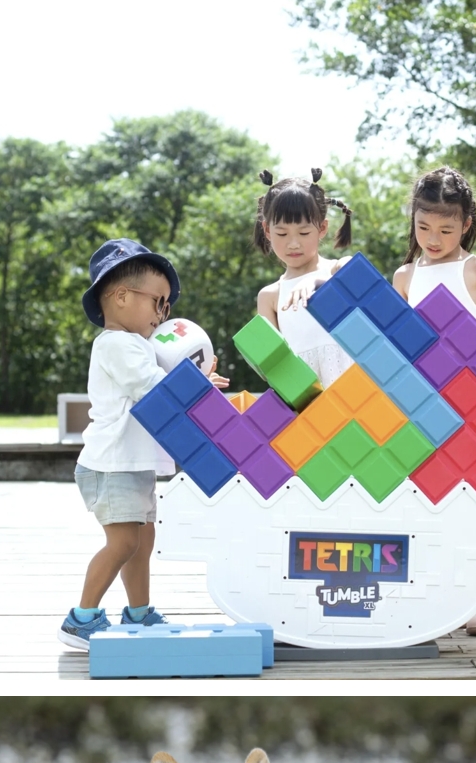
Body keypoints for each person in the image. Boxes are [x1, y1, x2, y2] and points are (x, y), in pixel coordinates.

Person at [60, 239, 222, 649]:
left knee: (143, 541)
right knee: (124, 542)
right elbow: (150, 388)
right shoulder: (115, 344)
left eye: (166, 305)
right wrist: (196, 383)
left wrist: (198, 384)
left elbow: (164, 386)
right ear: (120, 296)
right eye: (158, 302)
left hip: (131, 465)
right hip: (110, 465)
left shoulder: (138, 345)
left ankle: (138, 612)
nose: (162, 314)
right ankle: (81, 618)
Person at [392, 167, 476, 635]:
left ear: (466, 224)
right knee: (422, 494)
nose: (433, 239)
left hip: (472, 396)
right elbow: (395, 340)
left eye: (446, 230)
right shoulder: (404, 275)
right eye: (423, 227)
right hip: (419, 402)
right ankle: (432, 592)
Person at [255, 169, 357, 388]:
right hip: (306, 399)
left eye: (303, 233)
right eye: (282, 233)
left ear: (322, 228)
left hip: (355, 390)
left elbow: (366, 294)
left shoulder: (339, 269)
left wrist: (317, 283)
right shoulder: (270, 297)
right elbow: (272, 369)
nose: (293, 244)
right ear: (267, 230)